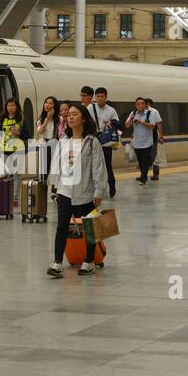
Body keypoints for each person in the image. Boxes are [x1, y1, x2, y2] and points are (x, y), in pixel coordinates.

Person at [47, 103, 108, 278]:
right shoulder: (63, 141)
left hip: (86, 191)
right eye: (69, 115)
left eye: (75, 114)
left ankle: (89, 261)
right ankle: (57, 263)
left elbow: (98, 168)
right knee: (61, 226)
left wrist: (99, 192)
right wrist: (55, 186)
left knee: (90, 227)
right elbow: (56, 165)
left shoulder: (91, 142)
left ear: (83, 118)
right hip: (65, 190)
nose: (70, 117)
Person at [90, 87, 121, 198]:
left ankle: (111, 186)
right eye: (98, 96)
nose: (100, 98)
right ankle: (96, 189)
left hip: (106, 141)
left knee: (107, 165)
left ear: (106, 97)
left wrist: (110, 122)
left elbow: (118, 124)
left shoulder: (111, 110)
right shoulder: (90, 107)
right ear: (95, 97)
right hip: (93, 140)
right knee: (94, 165)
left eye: (102, 96)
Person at [125, 96, 161, 185]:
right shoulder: (133, 113)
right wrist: (131, 119)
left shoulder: (149, 113)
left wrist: (141, 122)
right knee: (141, 161)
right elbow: (126, 125)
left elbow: (152, 125)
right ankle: (142, 175)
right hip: (137, 142)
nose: (140, 105)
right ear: (135, 105)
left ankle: (143, 178)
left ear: (145, 105)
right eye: (138, 104)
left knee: (145, 160)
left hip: (147, 142)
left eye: (142, 104)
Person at [35, 96, 61, 178]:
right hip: (44, 145)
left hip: (56, 144)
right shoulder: (41, 120)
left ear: (54, 106)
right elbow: (40, 131)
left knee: (55, 169)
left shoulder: (59, 119)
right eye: (46, 103)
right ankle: (43, 185)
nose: (47, 105)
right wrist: (47, 119)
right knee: (44, 170)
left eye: (50, 103)